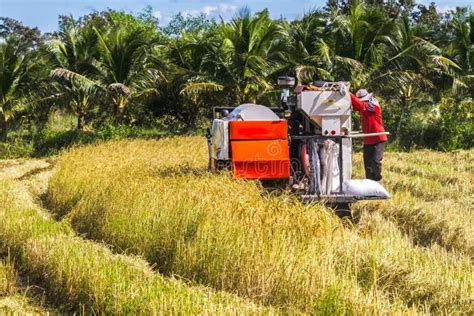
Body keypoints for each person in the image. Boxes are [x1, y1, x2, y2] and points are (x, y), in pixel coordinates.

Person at [350, 89, 388, 181]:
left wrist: (348, 93)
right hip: (368, 139)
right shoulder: (365, 106)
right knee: (368, 165)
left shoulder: (373, 105)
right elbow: (356, 105)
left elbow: (360, 105)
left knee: (376, 161)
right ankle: (370, 183)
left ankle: (377, 179)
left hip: (378, 138)